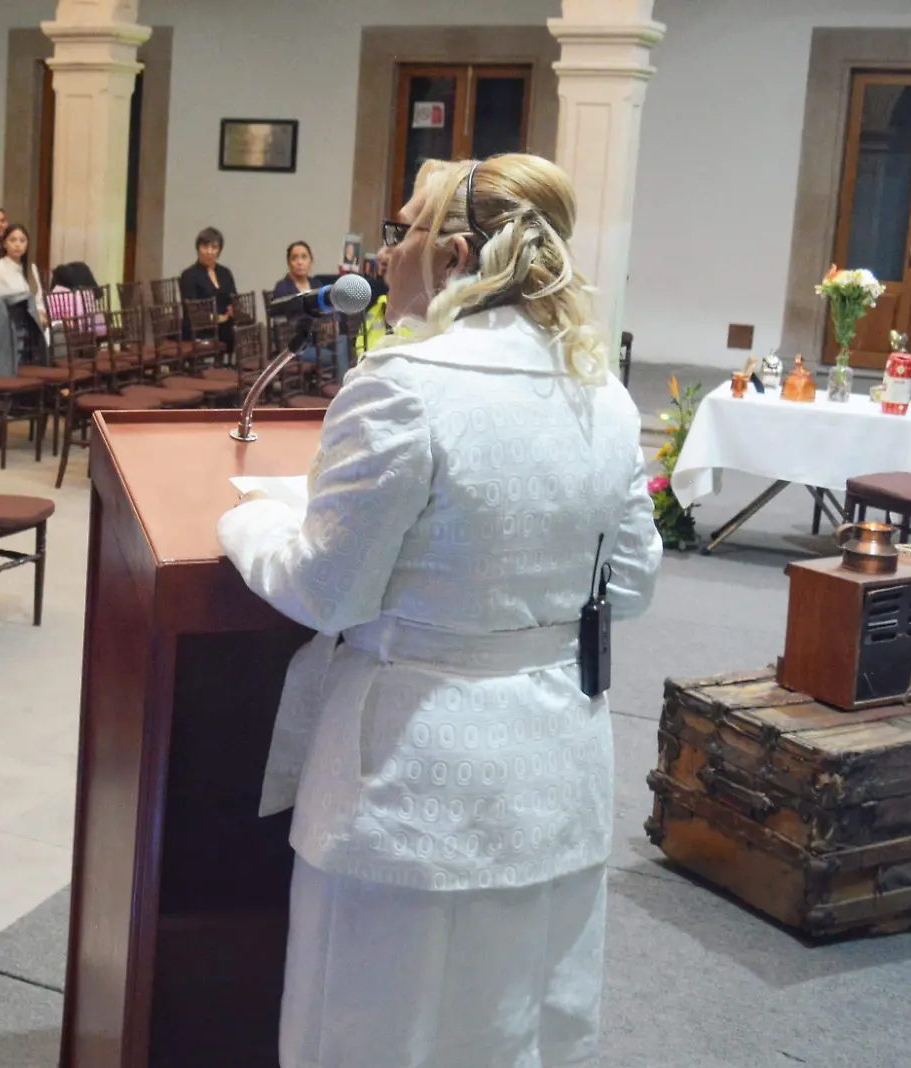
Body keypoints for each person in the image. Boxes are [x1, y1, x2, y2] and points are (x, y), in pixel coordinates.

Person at [216, 153, 660, 1068]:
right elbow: (630, 585)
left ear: (455, 255)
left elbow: (324, 589)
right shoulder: (601, 391)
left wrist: (246, 523)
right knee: (514, 1024)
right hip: (556, 760)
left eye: (402, 229)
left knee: (378, 1024)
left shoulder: (403, 383)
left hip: (414, 781)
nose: (384, 254)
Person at [178, 226, 238, 344]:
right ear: (198, 249)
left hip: (223, 324)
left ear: (219, 250)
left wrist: (233, 308)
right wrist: (217, 318)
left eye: (214, 247)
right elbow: (192, 309)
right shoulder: (189, 275)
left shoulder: (224, 272)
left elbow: (234, 297)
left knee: (247, 326)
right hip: (199, 326)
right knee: (234, 331)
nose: (209, 252)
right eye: (205, 247)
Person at [0, 224, 45, 329]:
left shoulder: (31, 267)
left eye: (22, 241)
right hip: (9, 321)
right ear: (4, 244)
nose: (17, 244)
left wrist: (40, 311)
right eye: (12, 240)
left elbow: (38, 298)